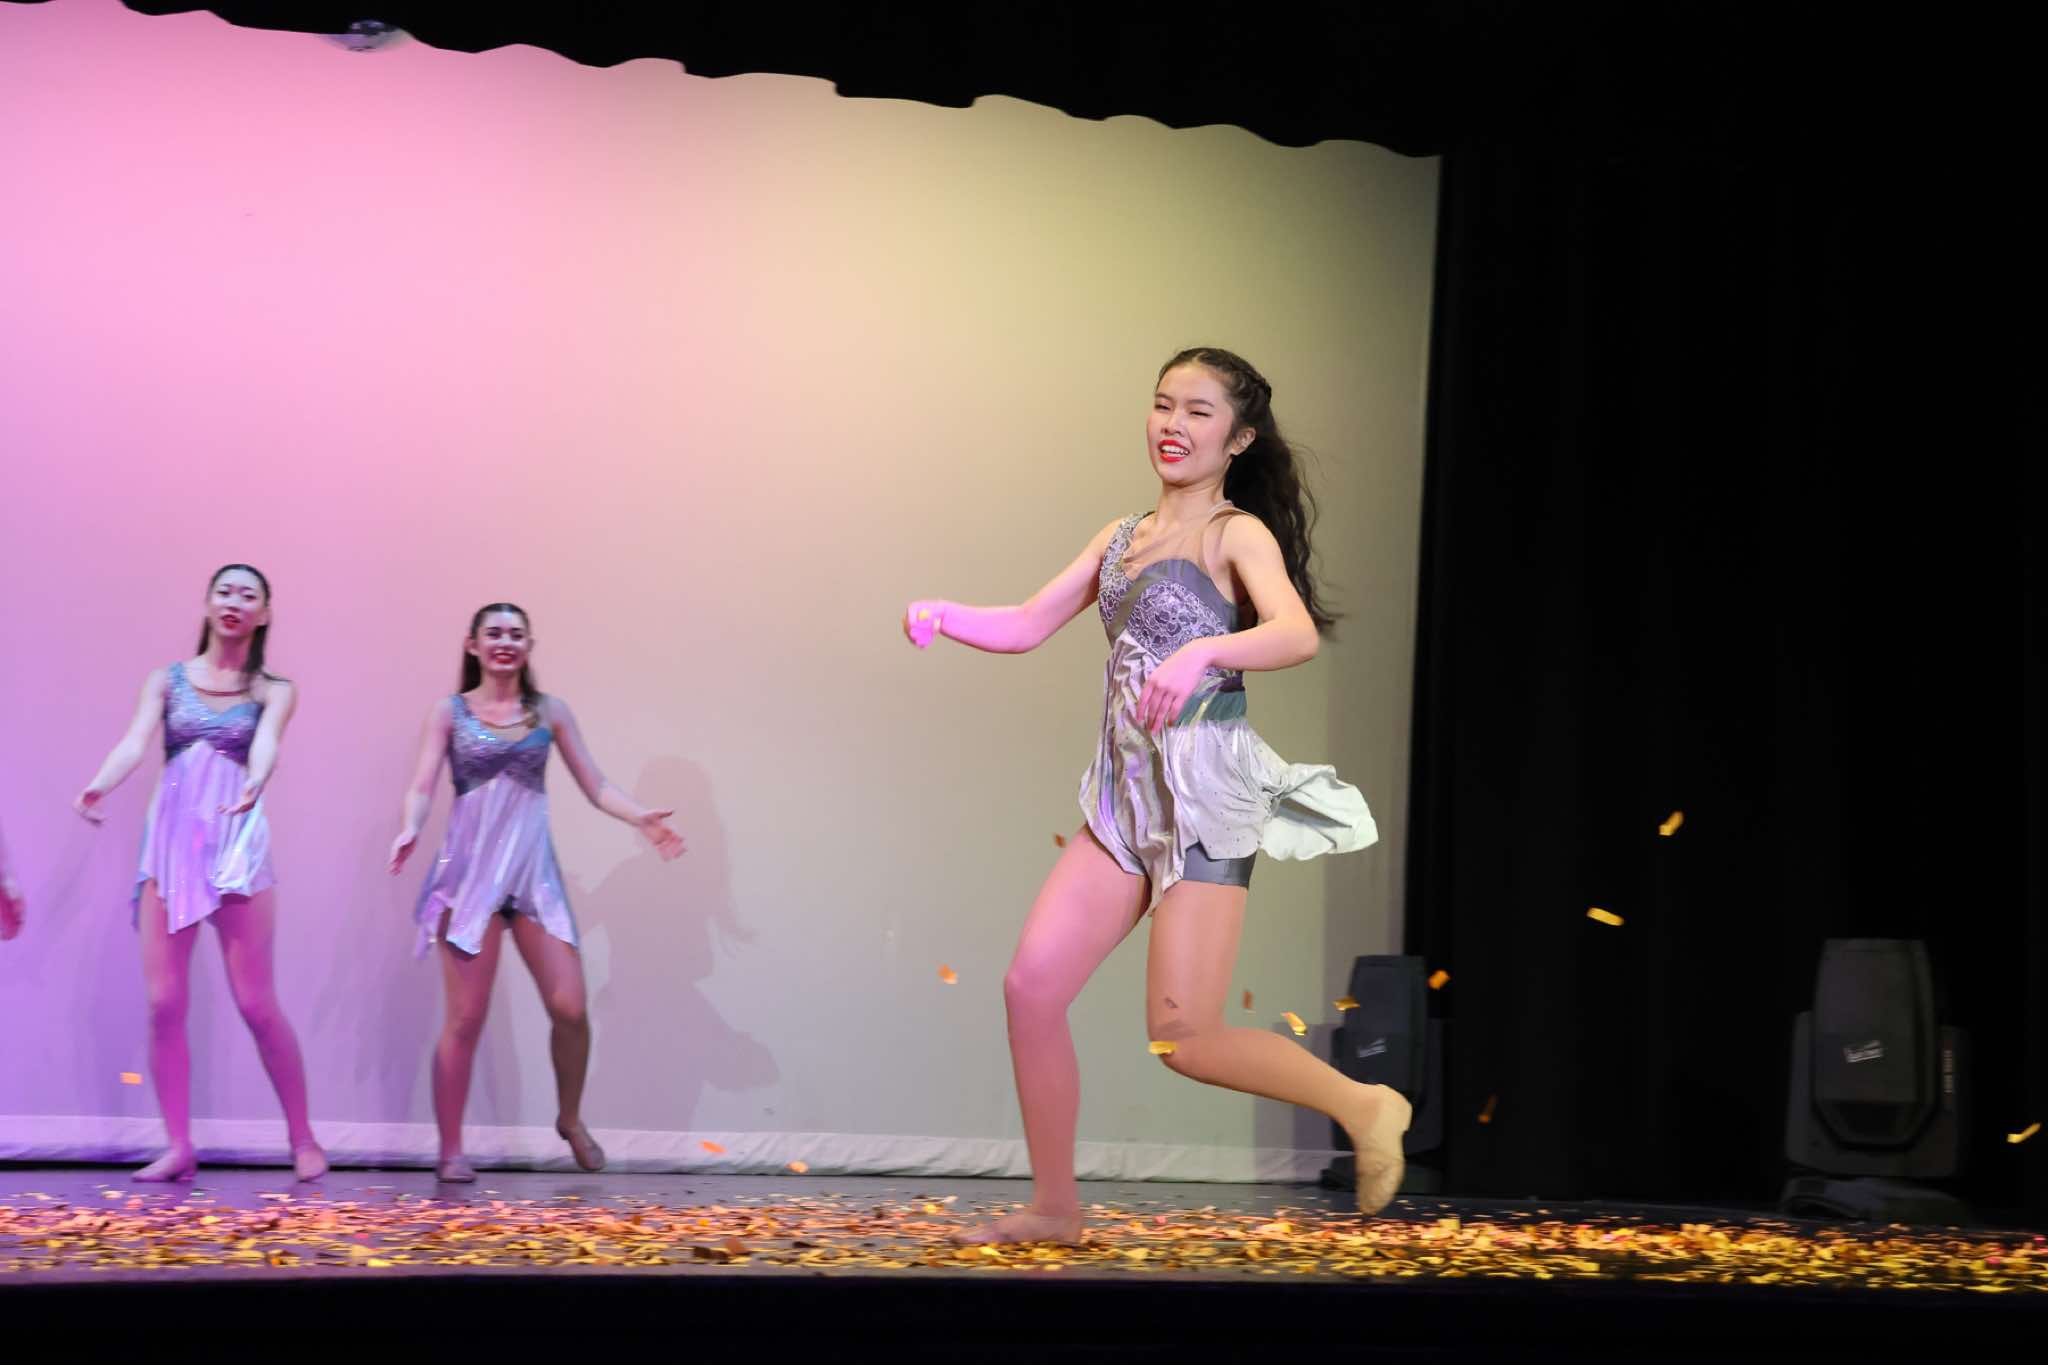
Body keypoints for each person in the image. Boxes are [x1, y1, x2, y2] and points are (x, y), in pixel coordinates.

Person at [904, 348, 1401, 1243]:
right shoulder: (1120, 535)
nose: (1174, 424)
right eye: (1164, 404)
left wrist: (1205, 650)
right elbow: (1027, 622)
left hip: (1205, 801)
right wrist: (946, 614)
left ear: (1238, 438)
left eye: (1199, 411)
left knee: (1185, 1037)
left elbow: (1293, 634)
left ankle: (1366, 1104)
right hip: (1125, 801)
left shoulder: (1235, 534)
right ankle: (1054, 1208)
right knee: (1031, 989)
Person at [390, 602, 686, 1181]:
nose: (505, 642)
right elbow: (422, 785)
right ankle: (451, 1149)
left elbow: (595, 783)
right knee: (465, 1019)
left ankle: (569, 1118)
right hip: (469, 882)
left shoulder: (550, 712)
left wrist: (639, 817)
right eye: (494, 633)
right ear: (473, 644)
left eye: (516, 634)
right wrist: (410, 825)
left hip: (532, 879)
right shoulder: (448, 713)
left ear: (529, 646)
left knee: (569, 1007)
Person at [74, 564, 327, 1182]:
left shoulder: (273, 689)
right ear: (209, 603)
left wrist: (258, 779)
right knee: (164, 1002)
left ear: (264, 613)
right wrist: (101, 784)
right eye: (225, 592)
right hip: (170, 849)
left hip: (235, 845)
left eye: (248, 595)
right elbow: (135, 741)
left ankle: (303, 1137)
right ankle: (179, 1145)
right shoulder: (167, 680)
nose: (234, 602)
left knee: (256, 1003)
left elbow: (267, 742)